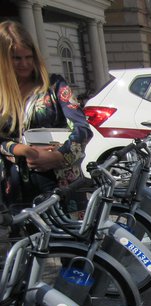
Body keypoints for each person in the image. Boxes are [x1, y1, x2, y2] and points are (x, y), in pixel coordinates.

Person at [0, 20, 92, 213]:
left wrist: (60, 156)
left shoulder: (55, 86)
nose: (25, 64)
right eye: (17, 58)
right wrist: (20, 149)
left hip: (61, 183)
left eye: (29, 57)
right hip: (16, 188)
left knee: (69, 241)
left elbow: (82, 127)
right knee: (26, 241)